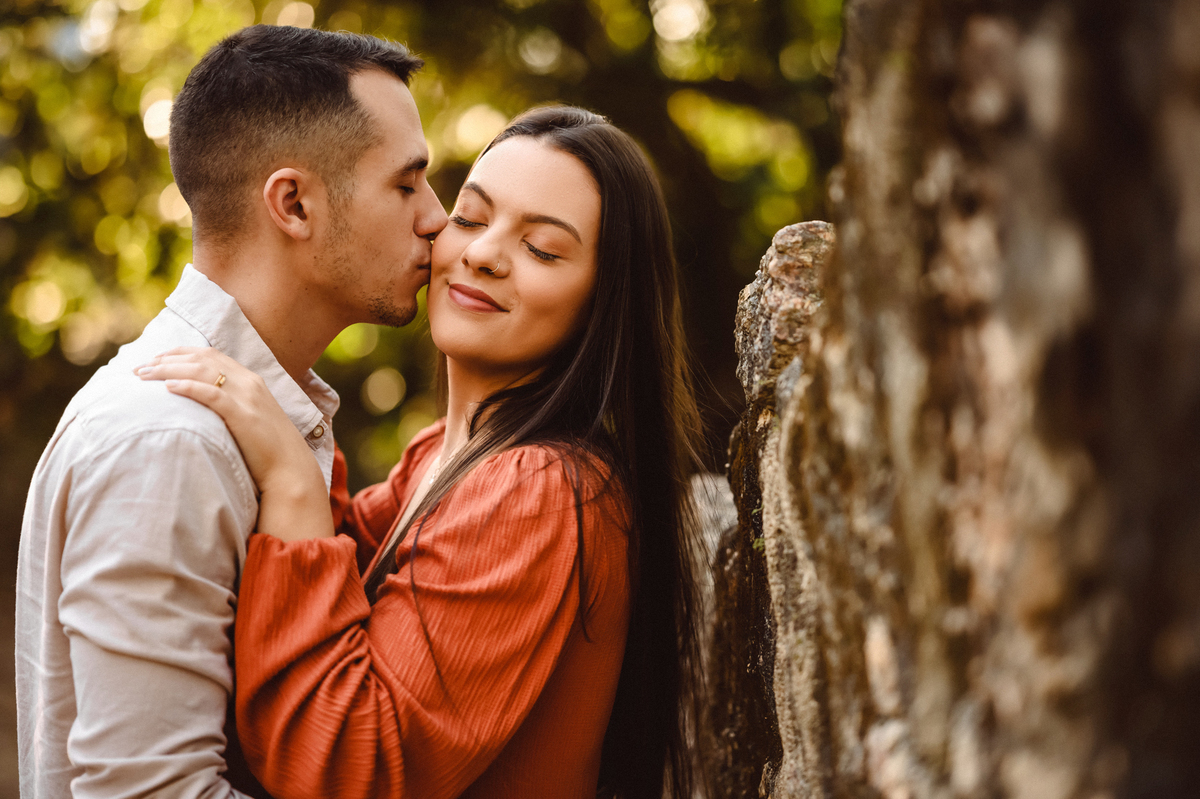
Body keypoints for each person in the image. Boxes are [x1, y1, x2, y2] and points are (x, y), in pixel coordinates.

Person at [136, 106, 703, 798]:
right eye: (470, 217)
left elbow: (349, 762)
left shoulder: (542, 489)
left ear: (602, 303)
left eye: (544, 249)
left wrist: (291, 475)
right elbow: (311, 607)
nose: (486, 252)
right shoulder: (443, 455)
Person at [15, 25, 446, 799]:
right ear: (293, 203)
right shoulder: (170, 439)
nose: (438, 219)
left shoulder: (242, 421)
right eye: (407, 184)